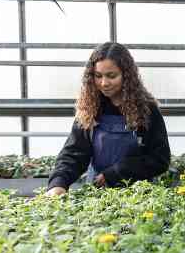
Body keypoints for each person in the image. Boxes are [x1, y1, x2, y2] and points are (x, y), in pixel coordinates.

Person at [46, 42, 171, 195]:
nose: (104, 83)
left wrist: (118, 172)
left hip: (139, 197)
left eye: (111, 76)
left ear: (126, 75)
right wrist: (58, 183)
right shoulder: (91, 108)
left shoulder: (146, 110)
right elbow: (74, 152)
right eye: (98, 76)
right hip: (98, 193)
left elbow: (160, 159)